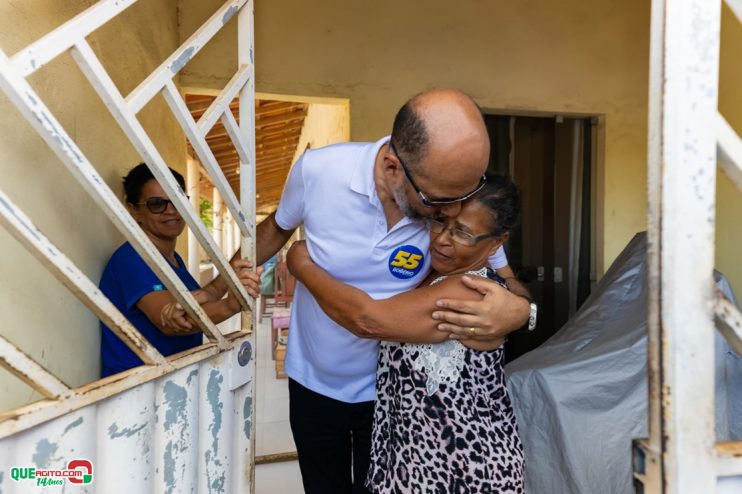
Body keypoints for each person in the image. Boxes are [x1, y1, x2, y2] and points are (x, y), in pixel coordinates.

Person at [173, 88, 533, 493]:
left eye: (462, 198)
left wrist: (522, 312)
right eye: (439, 201)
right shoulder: (320, 172)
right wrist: (217, 288)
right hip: (313, 378)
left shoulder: (448, 214)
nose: (451, 213)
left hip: (390, 394)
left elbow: (506, 279)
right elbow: (276, 228)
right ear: (393, 167)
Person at [287, 175, 524, 493]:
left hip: (463, 464)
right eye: (440, 223)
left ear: (496, 243)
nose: (442, 240)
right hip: (418, 457)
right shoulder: (436, 273)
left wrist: (301, 263)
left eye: (463, 234)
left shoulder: (471, 292)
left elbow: (366, 320)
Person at [99, 163, 260, 377]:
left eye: (177, 200)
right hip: (138, 390)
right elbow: (172, 322)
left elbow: (192, 302)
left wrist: (230, 275)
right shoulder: (133, 259)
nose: (171, 210)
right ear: (133, 209)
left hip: (170, 382)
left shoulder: (173, 260)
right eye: (157, 204)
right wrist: (230, 305)